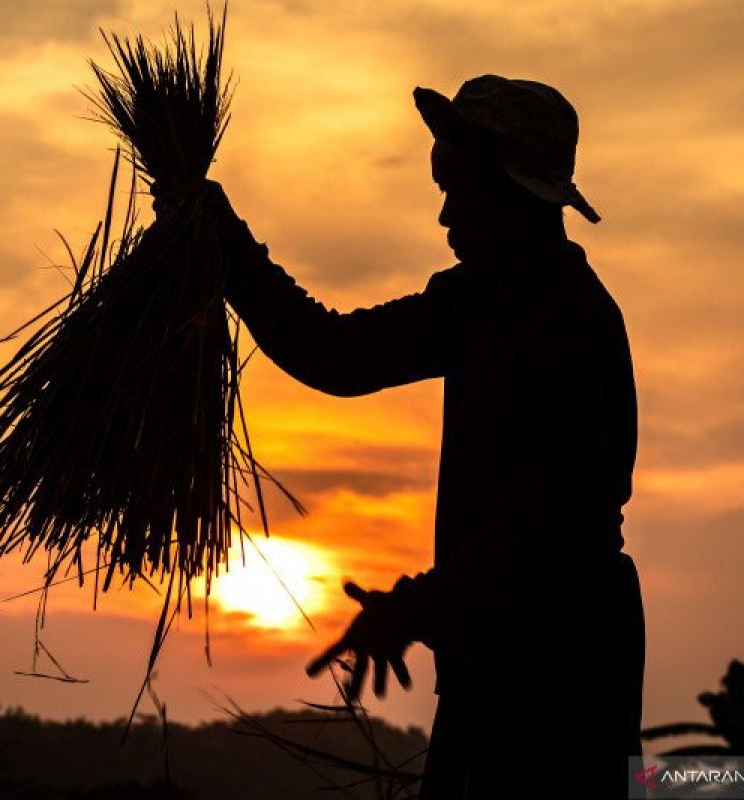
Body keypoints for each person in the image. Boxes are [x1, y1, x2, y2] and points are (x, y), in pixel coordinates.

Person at [155, 74, 645, 799]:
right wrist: (226, 242)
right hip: (487, 662)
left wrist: (410, 610)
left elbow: (539, 535)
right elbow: (336, 353)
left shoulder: (573, 326)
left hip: (561, 673)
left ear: (517, 197)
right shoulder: (476, 303)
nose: (445, 215)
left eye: (461, 191)